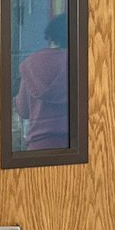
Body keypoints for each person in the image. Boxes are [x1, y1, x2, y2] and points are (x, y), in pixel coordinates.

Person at [13, 13, 69, 150]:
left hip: (38, 147)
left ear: (50, 36)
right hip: (74, 146)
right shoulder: (79, 62)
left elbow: (23, 110)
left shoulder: (30, 64)